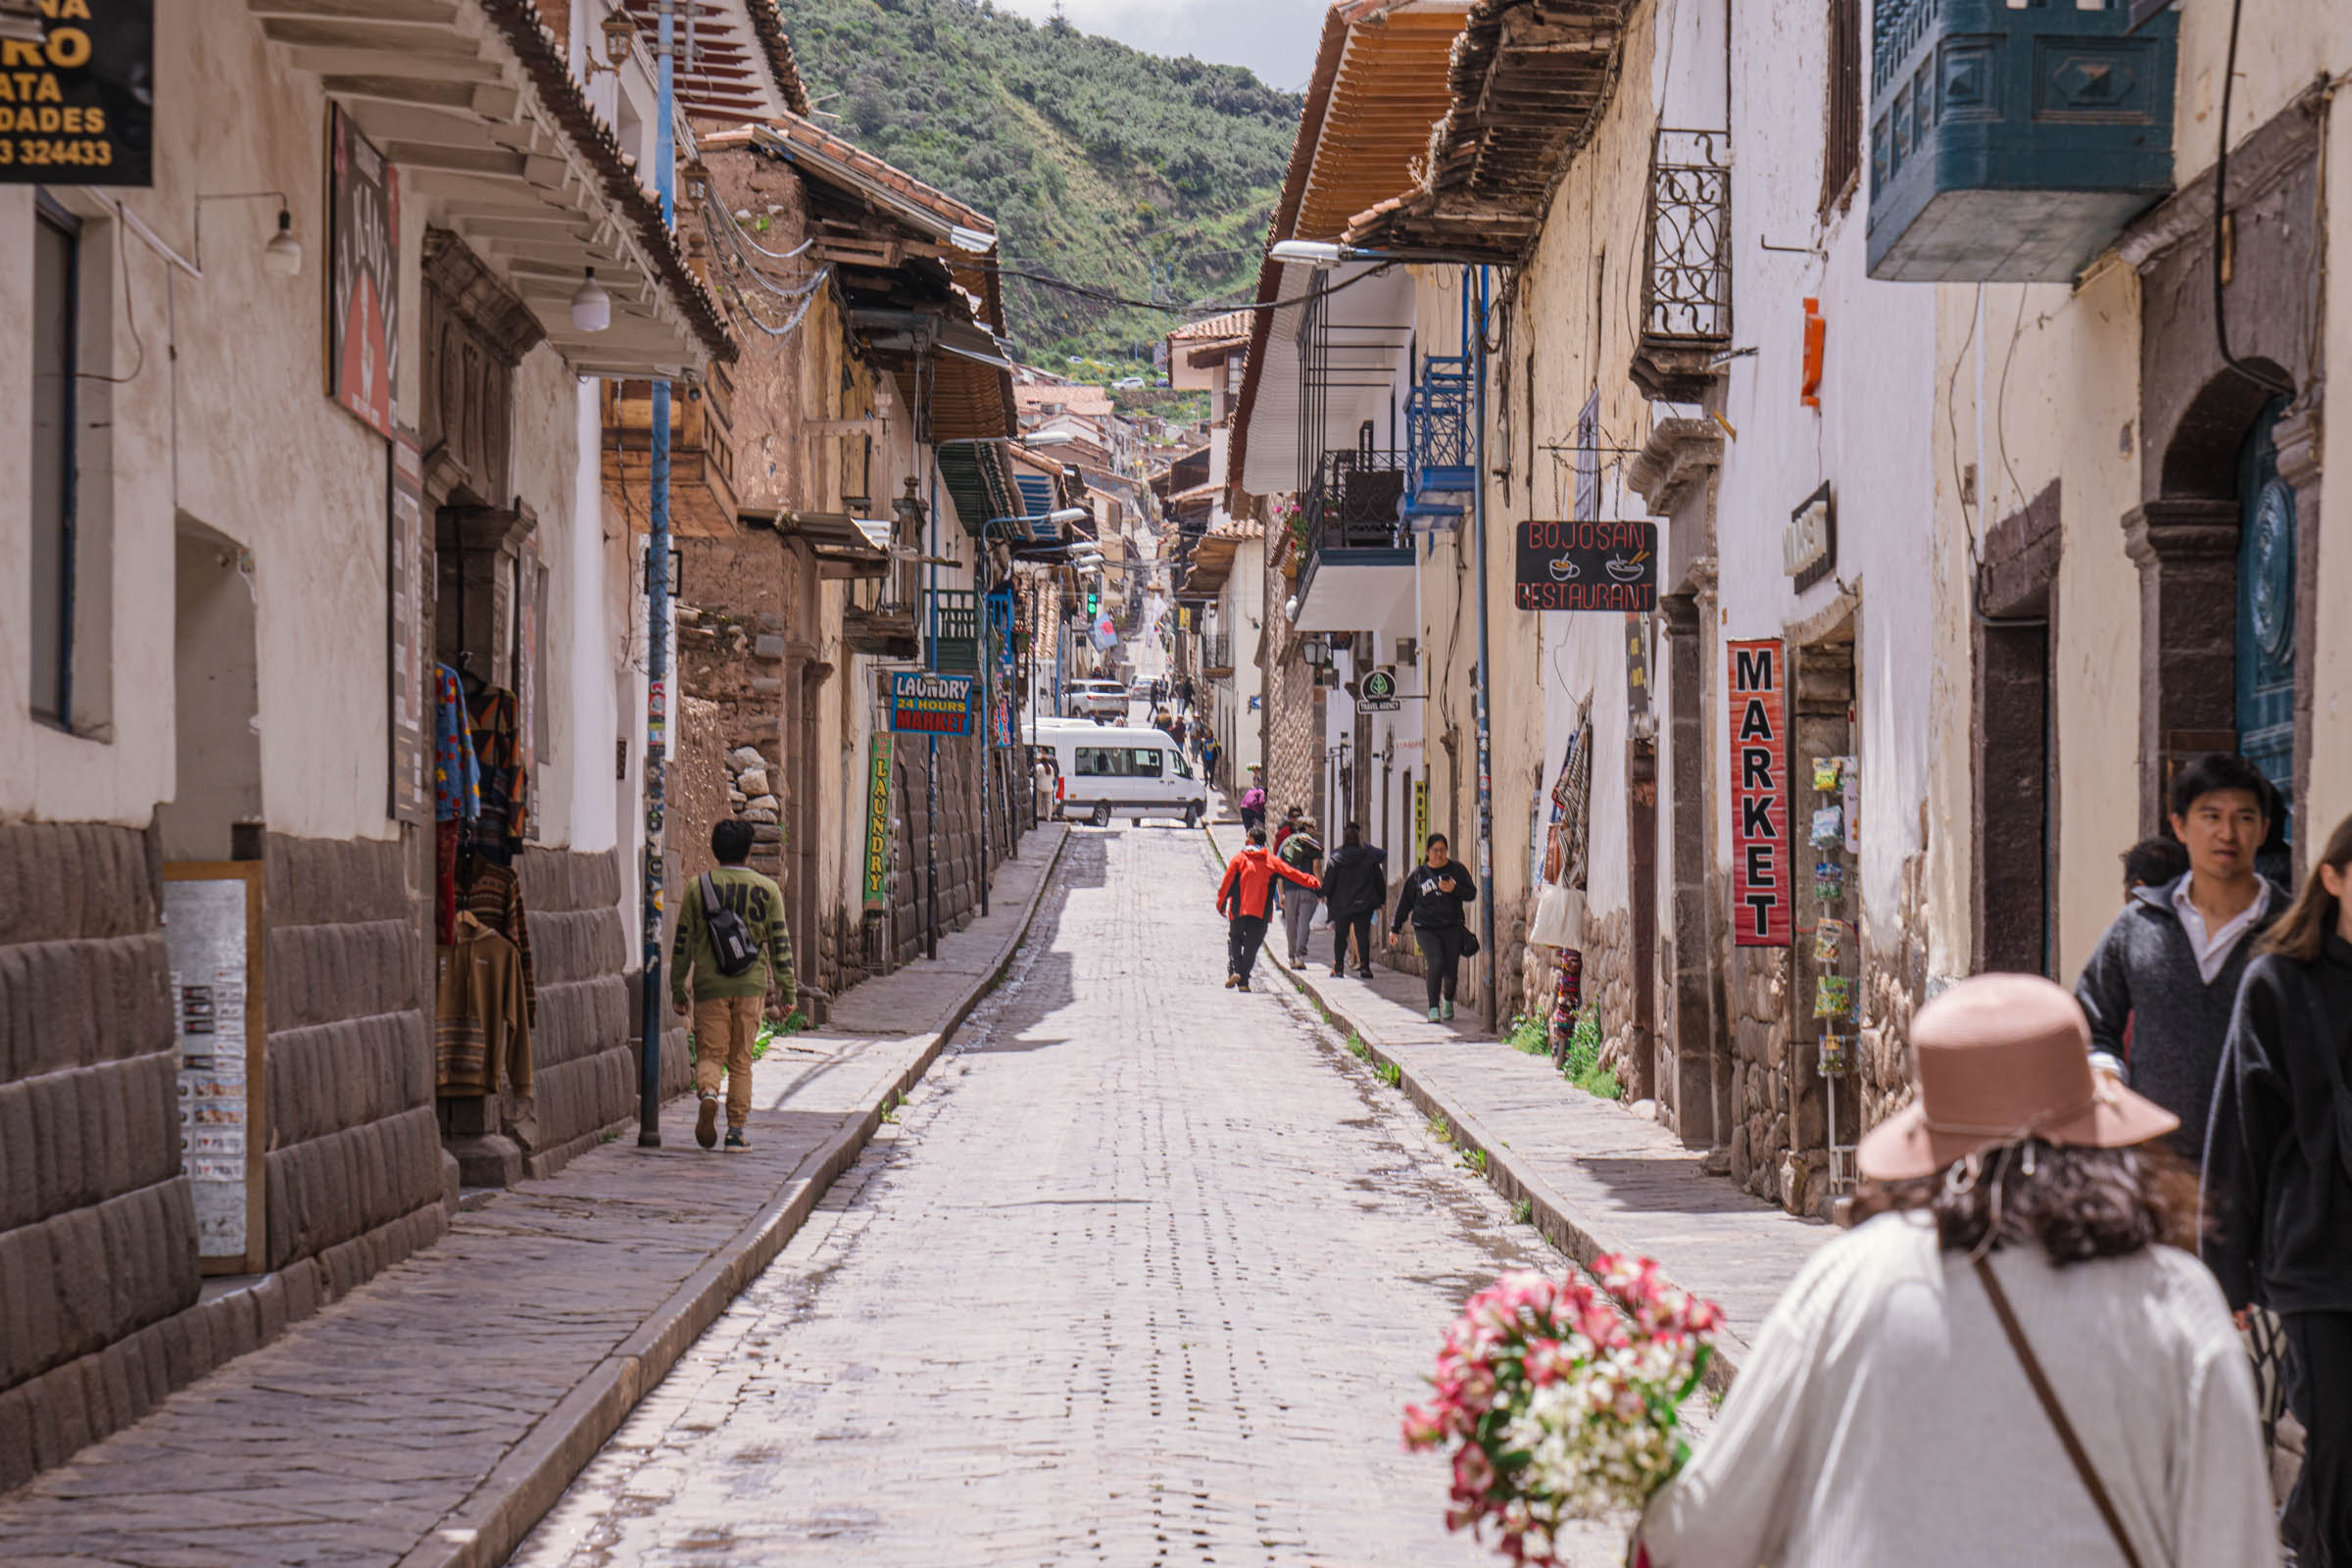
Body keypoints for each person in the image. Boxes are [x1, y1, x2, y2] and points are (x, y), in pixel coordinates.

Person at [1635, 973, 2275, 1567]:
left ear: (1934, 1142)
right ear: (2096, 1132)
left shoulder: (1853, 1280)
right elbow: (2232, 1543)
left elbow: (1702, 1535)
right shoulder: (2174, 1300)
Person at [2205, 810, 2352, 1566]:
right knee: (2334, 1434)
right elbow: (2240, 1132)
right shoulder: (2278, 983)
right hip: (2317, 1253)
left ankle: (2303, 1532)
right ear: (2333, 878)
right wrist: (2226, 1271)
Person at [2077, 753, 2289, 1163]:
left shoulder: (2293, 931)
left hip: (2267, 1172)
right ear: (2180, 826)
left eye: (2244, 818)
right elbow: (2091, 1022)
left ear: (2263, 829)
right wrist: (2109, 1083)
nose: (2227, 833)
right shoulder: (2138, 924)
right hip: (2155, 1164)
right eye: (2210, 816)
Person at [670, 819, 796, 1152]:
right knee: (741, 1061)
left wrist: (678, 990)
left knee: (711, 1053)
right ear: (749, 852)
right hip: (750, 985)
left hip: (710, 985)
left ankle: (709, 1092)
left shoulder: (698, 888)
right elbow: (780, 944)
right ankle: (736, 1133)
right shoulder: (768, 890)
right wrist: (788, 992)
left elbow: (682, 943)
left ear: (714, 849)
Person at [1215, 826, 1319, 991]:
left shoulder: (1239, 859)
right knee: (1252, 944)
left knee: (1235, 937)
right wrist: (1313, 881)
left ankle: (1236, 972)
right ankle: (1243, 981)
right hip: (1261, 911)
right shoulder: (1271, 861)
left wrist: (1221, 903)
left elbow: (1227, 882)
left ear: (1251, 840)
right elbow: (1291, 873)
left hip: (1238, 909)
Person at [1392, 832, 1477, 1022]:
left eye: (1442, 850)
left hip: (1452, 926)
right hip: (1425, 928)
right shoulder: (1418, 875)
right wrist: (1394, 927)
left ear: (1447, 851)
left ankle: (1447, 1000)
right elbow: (1405, 902)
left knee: (1451, 969)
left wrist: (1455, 889)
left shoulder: (1457, 870)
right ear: (1428, 851)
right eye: (1435, 850)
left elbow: (1471, 893)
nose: (1439, 854)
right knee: (1436, 962)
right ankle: (1433, 1008)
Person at [1321, 823, 1388, 978]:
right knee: (1362, 935)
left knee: (1341, 936)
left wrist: (1324, 894)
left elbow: (1328, 882)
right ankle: (1365, 967)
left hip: (1341, 905)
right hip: (1363, 904)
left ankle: (1338, 967)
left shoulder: (1336, 858)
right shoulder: (1369, 857)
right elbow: (1379, 880)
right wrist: (1381, 900)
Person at [1277, 815, 1324, 965]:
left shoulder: (1287, 843)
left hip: (1290, 888)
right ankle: (1300, 956)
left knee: (1291, 923)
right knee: (1304, 923)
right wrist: (1320, 888)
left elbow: (1280, 870)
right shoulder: (1312, 844)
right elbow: (1316, 868)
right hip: (1307, 889)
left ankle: (1291, 957)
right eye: (1313, 828)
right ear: (1307, 828)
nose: (1315, 831)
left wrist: (1281, 893)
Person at [1238, 766, 1266, 834]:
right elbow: (1261, 802)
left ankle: (1249, 839)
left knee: (1248, 828)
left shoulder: (1251, 790)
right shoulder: (1261, 791)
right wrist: (1263, 810)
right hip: (1252, 808)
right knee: (1262, 820)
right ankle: (1260, 836)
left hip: (1243, 808)